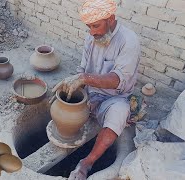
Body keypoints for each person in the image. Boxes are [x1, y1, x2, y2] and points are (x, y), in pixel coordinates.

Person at [52, 0, 141, 179]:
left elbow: (117, 80)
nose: (92, 32)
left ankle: (86, 163)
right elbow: (82, 71)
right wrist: (73, 85)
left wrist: (85, 78)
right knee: (63, 104)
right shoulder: (90, 39)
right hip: (91, 96)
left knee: (120, 112)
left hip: (115, 98)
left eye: (96, 26)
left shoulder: (128, 41)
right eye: (88, 27)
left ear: (111, 19)